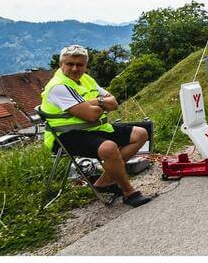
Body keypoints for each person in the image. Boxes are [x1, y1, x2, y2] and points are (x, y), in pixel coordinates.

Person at [40, 45, 152, 207]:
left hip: (94, 129)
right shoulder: (59, 87)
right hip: (65, 135)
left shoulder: (86, 79)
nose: (74, 68)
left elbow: (113, 102)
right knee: (109, 148)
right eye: (69, 64)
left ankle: (103, 182)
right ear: (61, 65)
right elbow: (91, 115)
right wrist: (101, 103)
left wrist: (92, 103)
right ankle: (129, 192)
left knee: (140, 134)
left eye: (80, 65)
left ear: (86, 66)